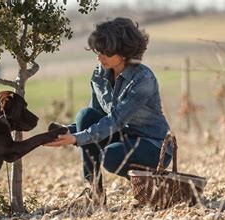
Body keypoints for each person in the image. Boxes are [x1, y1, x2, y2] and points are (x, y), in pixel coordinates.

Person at [45, 17, 172, 205]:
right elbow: (94, 117)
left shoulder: (143, 79)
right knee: (85, 115)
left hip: (153, 146)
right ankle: (95, 193)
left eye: (105, 52)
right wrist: (68, 131)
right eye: (98, 51)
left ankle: (151, 185)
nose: (99, 57)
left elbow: (116, 120)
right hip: (122, 136)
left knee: (111, 156)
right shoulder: (99, 73)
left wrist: (77, 138)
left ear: (124, 52)